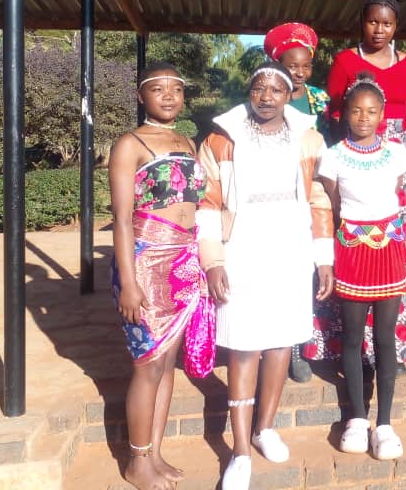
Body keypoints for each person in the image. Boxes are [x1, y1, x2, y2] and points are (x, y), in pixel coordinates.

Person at [197, 63, 334, 490]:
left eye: (277, 89)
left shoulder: (308, 138)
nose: (267, 96)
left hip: (290, 253)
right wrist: (214, 261)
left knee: (279, 342)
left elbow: (319, 200)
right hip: (242, 253)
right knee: (242, 347)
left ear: (290, 93)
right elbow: (206, 205)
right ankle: (239, 452)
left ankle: (265, 428)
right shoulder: (221, 140)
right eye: (259, 88)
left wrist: (323, 257)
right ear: (249, 91)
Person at [309, 0, 406, 374]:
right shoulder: (345, 61)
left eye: (387, 23)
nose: (379, 29)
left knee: (397, 250)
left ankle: (392, 348)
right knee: (352, 250)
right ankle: (350, 348)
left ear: (397, 26)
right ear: (362, 21)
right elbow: (334, 115)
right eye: (373, 22)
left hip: (395, 162)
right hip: (355, 160)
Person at [109, 62, 208, 490]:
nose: (168, 96)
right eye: (158, 89)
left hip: (183, 260)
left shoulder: (187, 141)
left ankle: (155, 453)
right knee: (147, 363)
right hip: (146, 261)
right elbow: (121, 219)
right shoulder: (129, 144)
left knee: (168, 362)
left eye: (176, 89)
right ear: (141, 96)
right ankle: (136, 462)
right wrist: (129, 283)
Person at [318, 73, 406, 459]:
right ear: (344, 114)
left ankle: (385, 423)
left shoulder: (397, 153)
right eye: (356, 110)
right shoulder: (333, 156)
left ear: (382, 115)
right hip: (352, 248)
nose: (363, 118)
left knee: (386, 338)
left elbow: (399, 192)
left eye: (372, 111)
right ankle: (357, 418)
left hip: (388, 247)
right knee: (354, 338)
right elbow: (333, 201)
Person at [263, 21, 331, 383]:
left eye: (306, 66)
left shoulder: (320, 98)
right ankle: (282, 348)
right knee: (278, 272)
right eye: (293, 66)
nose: (301, 73)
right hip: (275, 194)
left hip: (313, 190)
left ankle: (304, 346)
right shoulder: (269, 95)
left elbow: (331, 141)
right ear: (278, 65)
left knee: (311, 270)